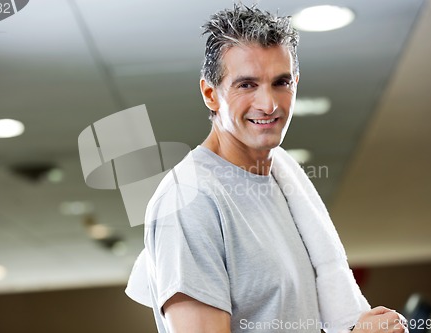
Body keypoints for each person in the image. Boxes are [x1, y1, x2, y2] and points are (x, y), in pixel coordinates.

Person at [126, 5, 408, 333]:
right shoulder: (189, 200)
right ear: (210, 94)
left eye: (281, 82)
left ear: (296, 83)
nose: (269, 104)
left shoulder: (284, 179)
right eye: (247, 85)